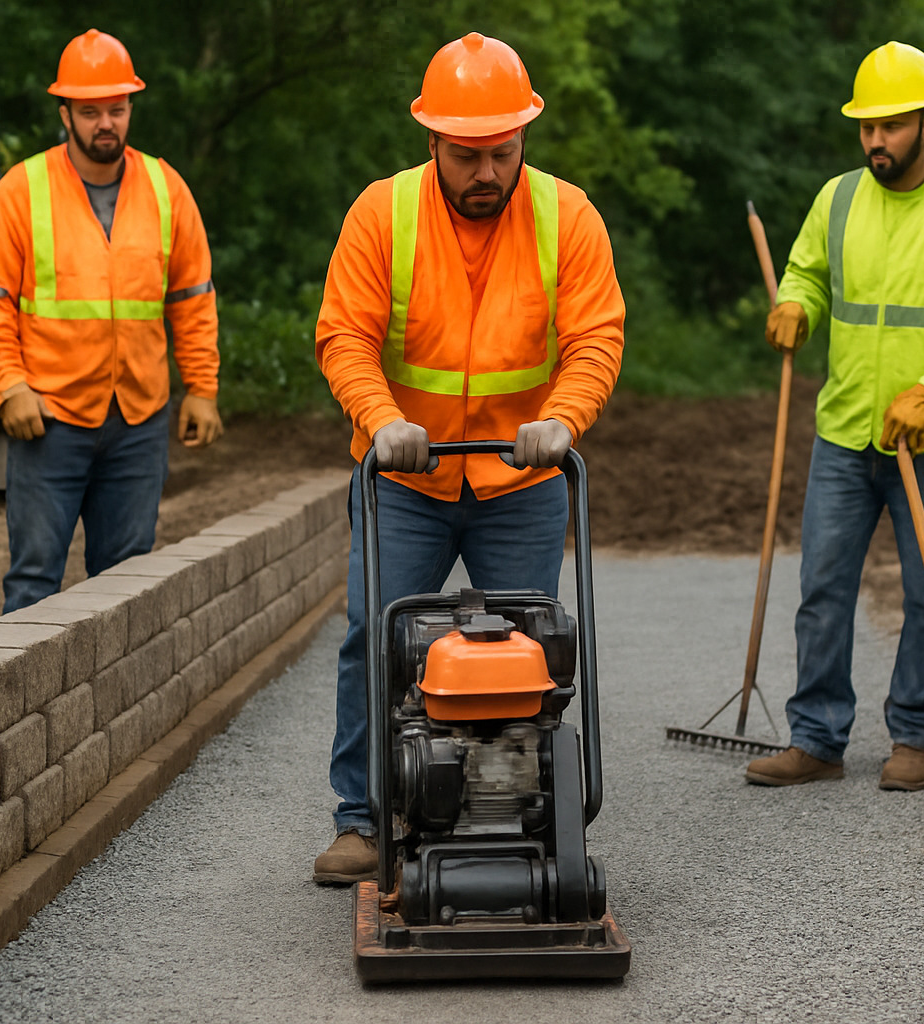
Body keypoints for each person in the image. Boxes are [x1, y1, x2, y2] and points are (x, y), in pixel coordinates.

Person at [311, 32, 625, 883]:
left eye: (501, 153)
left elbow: (596, 338)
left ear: (525, 138)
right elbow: (346, 336)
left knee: (528, 647)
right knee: (375, 637)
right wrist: (381, 422)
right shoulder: (382, 213)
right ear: (432, 143)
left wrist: (562, 420)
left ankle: (518, 806)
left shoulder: (569, 216)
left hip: (519, 476)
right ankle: (362, 818)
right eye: (465, 156)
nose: (485, 173)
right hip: (406, 479)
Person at [744, 41, 924, 792]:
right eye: (867, 126)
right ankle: (818, 737)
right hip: (844, 429)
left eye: (891, 126)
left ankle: (916, 738)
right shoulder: (837, 199)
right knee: (824, 586)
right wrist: (795, 302)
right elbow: (805, 269)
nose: (875, 140)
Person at [0, 29, 222, 615]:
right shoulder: (22, 191)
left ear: (131, 107)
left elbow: (192, 298)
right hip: (49, 419)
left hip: (138, 421)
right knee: (34, 583)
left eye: (116, 108)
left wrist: (203, 390)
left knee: (126, 586)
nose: (105, 123)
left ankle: (117, 709)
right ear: (66, 114)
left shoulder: (166, 188)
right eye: (90, 112)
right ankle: (24, 706)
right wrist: (7, 385)